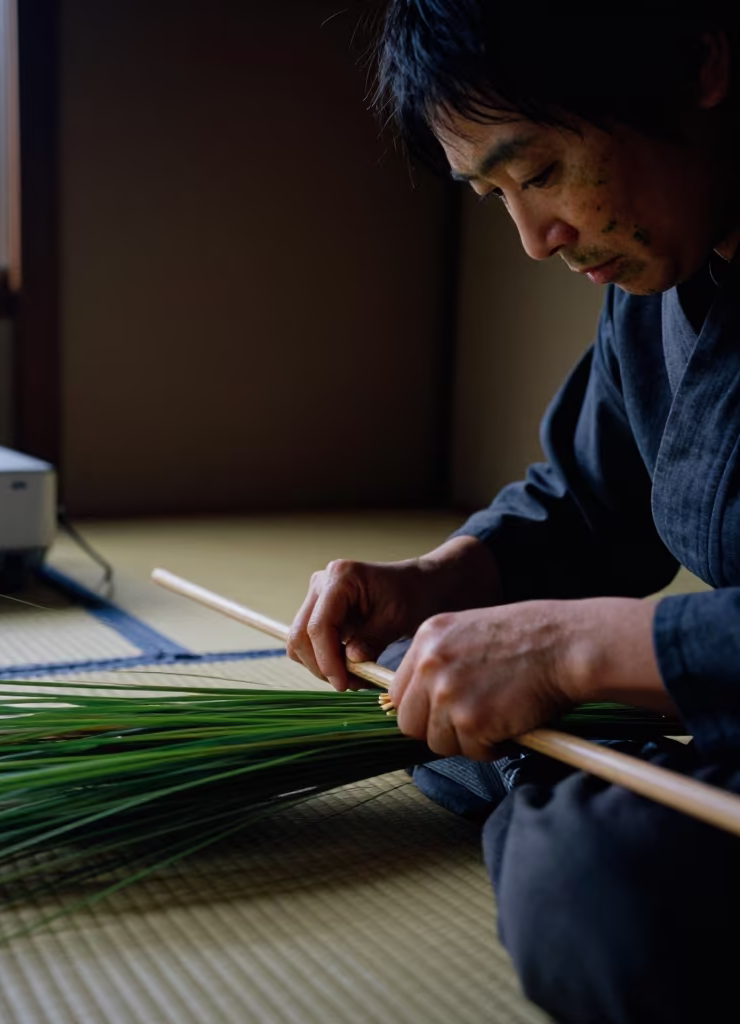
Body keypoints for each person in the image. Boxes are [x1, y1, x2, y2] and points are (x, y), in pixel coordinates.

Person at [286, 2, 740, 1021]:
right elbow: (586, 502)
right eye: (494, 192)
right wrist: (428, 582)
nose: (534, 240)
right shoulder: (660, 284)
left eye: (538, 173)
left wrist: (573, 650)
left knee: (597, 893)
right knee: (427, 669)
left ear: (697, 60)